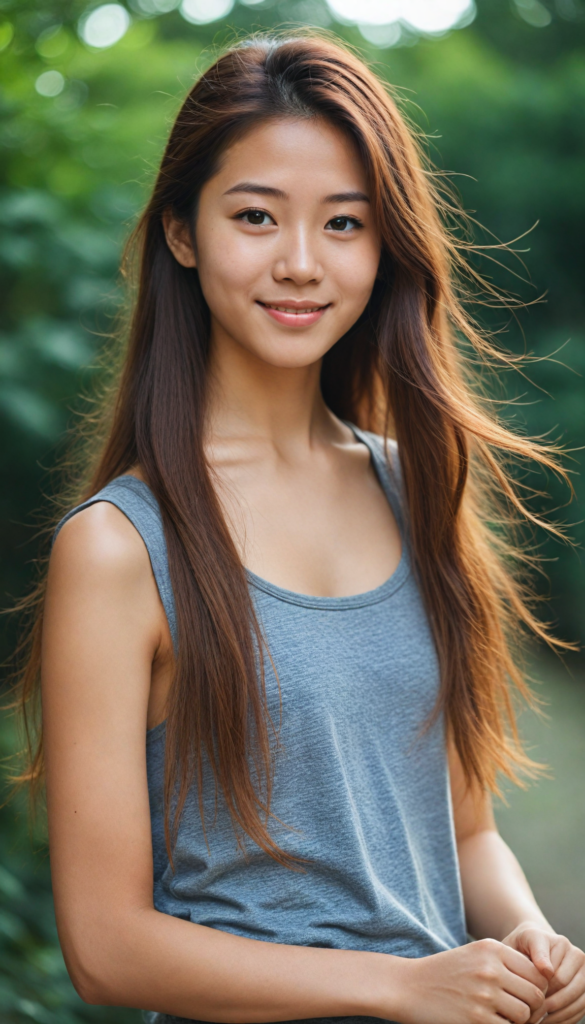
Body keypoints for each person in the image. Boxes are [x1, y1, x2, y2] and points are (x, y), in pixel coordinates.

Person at [14, 33, 585, 1024]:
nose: (300, 263)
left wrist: (529, 934)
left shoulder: (420, 492)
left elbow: (463, 830)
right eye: (255, 216)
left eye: (345, 223)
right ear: (183, 233)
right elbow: (105, 948)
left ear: (384, 243)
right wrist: (402, 984)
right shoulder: (117, 550)